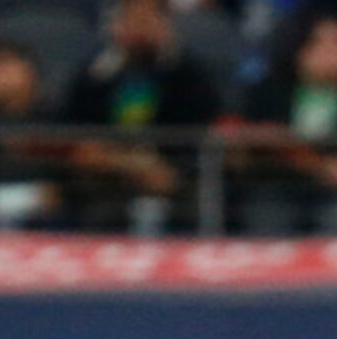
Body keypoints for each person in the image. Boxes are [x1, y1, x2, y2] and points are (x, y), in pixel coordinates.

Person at [62, 0, 221, 234]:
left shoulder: (190, 76)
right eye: (133, 20)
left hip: (174, 177)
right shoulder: (93, 78)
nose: (140, 29)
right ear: (116, 26)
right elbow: (77, 141)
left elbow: (201, 133)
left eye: (148, 20)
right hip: (109, 180)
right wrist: (130, 165)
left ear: (165, 25)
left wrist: (170, 171)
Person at [234, 12, 337, 234]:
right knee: (267, 215)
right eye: (320, 43)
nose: (332, 52)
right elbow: (242, 144)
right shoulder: (268, 92)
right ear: (299, 50)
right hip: (280, 186)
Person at [0, 40, 69, 230]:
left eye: (4, 65)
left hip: (47, 209)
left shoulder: (58, 117)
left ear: (30, 72)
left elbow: (71, 169)